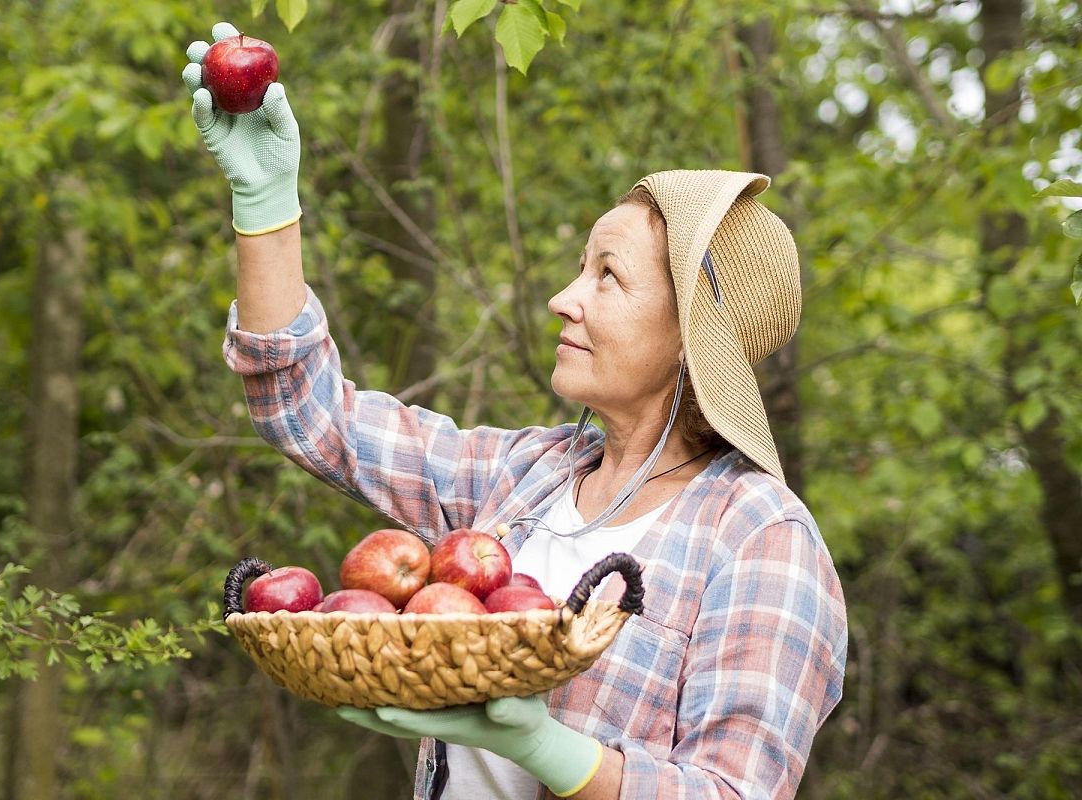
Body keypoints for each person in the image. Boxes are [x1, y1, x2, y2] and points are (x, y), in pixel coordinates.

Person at [185, 21, 848, 800]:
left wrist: (549, 750)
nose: (562, 300)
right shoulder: (523, 477)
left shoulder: (763, 542)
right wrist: (265, 203)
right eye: (580, 268)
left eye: (608, 278)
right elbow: (308, 412)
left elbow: (733, 793)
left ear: (691, 339)